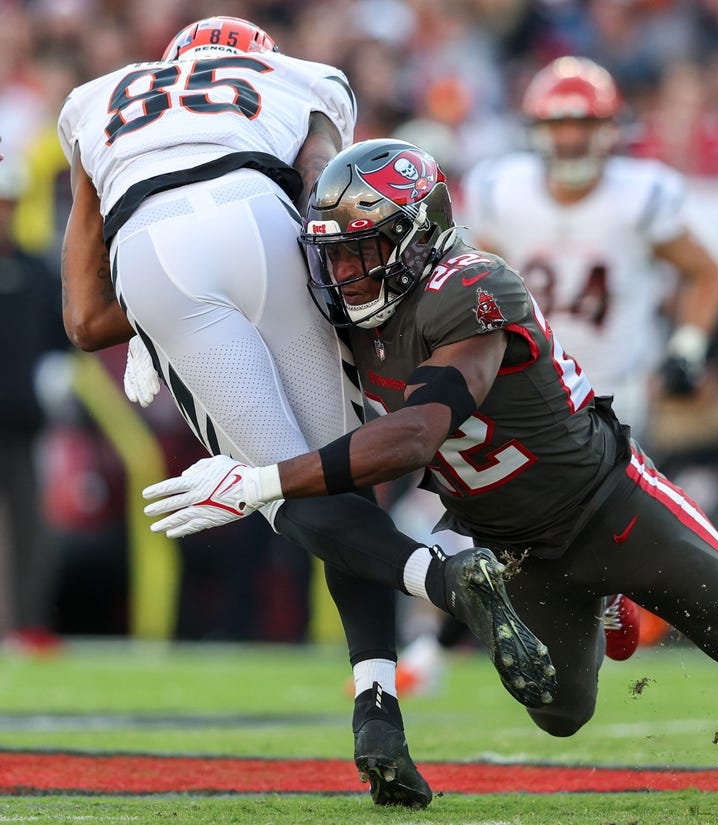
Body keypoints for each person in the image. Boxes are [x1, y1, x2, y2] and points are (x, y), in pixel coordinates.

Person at [143, 138, 718, 798]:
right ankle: (604, 602)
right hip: (513, 546)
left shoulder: (474, 287)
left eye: (361, 250)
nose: (343, 271)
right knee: (561, 712)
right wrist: (155, 332)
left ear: (417, 237)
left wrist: (261, 480)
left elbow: (415, 437)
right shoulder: (342, 315)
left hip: (608, 501)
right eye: (332, 252)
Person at [55, 16, 554, 809]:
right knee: (334, 475)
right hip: (264, 221)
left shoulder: (92, 99)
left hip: (150, 250)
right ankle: (378, 710)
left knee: (288, 492)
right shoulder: (302, 78)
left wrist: (158, 327)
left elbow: (84, 319)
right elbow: (331, 198)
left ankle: (446, 585)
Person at [393, 54, 718, 689]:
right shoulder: (503, 188)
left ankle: (647, 609)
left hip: (614, 397)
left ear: (608, 128)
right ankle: (437, 650)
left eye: (583, 124)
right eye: (559, 125)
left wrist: (688, 344)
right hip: (526, 391)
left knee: (591, 536)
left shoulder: (642, 193)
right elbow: (464, 282)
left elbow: (708, 270)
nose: (571, 138)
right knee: (492, 525)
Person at [0, 159, 69, 643]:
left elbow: (59, 342)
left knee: (31, 528)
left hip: (21, 422)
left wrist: (54, 381)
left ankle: (29, 623)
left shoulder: (34, 270)